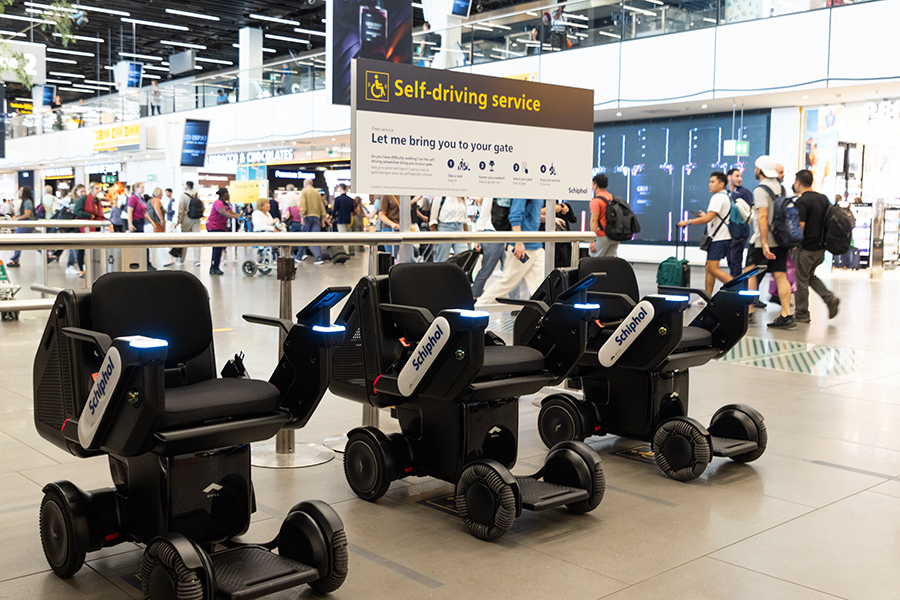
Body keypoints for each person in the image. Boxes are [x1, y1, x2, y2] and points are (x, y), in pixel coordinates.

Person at [745, 155, 795, 329]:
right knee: (780, 275)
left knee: (749, 273)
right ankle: (786, 315)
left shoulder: (760, 190)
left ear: (759, 170)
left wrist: (764, 242)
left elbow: (763, 217)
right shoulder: (782, 189)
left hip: (762, 241)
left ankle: (749, 311)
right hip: (781, 240)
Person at [476, 199, 545, 306]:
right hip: (522, 249)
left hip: (536, 247)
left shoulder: (539, 195)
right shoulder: (524, 191)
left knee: (539, 286)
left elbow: (532, 216)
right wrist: (518, 242)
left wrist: (550, 219)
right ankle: (477, 307)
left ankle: (544, 316)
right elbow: (515, 215)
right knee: (507, 283)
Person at [793, 169, 840, 323]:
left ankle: (801, 314)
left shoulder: (802, 202)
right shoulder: (823, 199)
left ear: (799, 183)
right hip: (820, 249)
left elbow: (801, 227)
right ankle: (829, 298)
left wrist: (793, 243)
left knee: (801, 282)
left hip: (806, 249)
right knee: (810, 277)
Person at [677, 172, 732, 297]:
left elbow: (708, 219)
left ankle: (736, 288)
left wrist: (688, 222)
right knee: (709, 267)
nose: (709, 184)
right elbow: (711, 217)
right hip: (720, 238)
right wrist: (706, 216)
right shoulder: (725, 196)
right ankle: (707, 297)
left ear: (722, 184)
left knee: (713, 268)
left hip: (719, 238)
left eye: (713, 182)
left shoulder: (718, 197)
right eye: (710, 181)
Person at [472, 197, 505, 299]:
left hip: (506, 235)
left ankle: (515, 302)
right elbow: (484, 215)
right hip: (492, 234)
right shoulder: (490, 195)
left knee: (511, 269)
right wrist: (477, 238)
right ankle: (474, 295)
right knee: (487, 269)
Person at [726, 168, 753, 279]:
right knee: (730, 260)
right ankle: (733, 284)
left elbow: (750, 213)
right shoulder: (726, 193)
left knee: (735, 260)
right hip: (728, 231)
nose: (739, 179)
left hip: (739, 231)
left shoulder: (744, 193)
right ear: (729, 177)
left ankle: (735, 288)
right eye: (737, 176)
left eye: (740, 176)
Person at [72, 183, 104, 277]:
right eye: (96, 188)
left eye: (99, 188)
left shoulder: (96, 200)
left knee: (91, 248)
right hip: (82, 226)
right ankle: (81, 269)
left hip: (93, 225)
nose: (98, 190)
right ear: (91, 189)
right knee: (81, 248)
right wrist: (89, 216)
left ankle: (91, 267)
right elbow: (76, 211)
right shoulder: (84, 198)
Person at [207, 188, 240, 276]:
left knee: (219, 247)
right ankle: (213, 268)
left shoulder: (226, 204)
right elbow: (224, 213)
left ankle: (216, 267)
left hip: (220, 227)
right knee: (216, 247)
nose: (228, 195)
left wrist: (238, 216)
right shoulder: (218, 203)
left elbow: (230, 211)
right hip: (214, 227)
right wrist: (236, 217)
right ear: (223, 194)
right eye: (227, 193)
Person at [430, 196, 469, 263]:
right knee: (442, 260)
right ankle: (439, 273)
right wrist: (432, 235)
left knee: (464, 258)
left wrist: (468, 236)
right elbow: (433, 217)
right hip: (444, 228)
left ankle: (458, 273)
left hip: (459, 228)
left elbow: (465, 219)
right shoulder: (441, 196)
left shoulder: (462, 198)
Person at [296, 178, 326, 265]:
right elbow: (321, 206)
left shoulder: (304, 191)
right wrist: (323, 219)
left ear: (305, 184)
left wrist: (302, 216)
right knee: (316, 238)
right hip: (317, 217)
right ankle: (319, 258)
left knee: (303, 237)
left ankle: (299, 256)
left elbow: (303, 204)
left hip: (307, 217)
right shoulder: (317, 192)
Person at [127, 182, 156, 271]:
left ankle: (146, 262)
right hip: (136, 223)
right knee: (140, 245)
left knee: (143, 244)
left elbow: (144, 213)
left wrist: (152, 222)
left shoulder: (141, 199)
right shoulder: (133, 198)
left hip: (141, 222)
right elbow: (130, 211)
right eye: (141, 187)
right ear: (136, 188)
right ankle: (144, 263)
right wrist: (130, 224)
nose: (143, 189)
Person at [589, 174, 617, 257]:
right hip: (614, 236)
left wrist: (592, 240)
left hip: (602, 235)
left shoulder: (596, 201)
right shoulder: (612, 198)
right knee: (610, 263)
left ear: (595, 185)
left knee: (594, 261)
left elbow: (594, 220)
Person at [7, 187, 36, 267]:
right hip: (26, 224)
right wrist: (17, 216)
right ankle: (46, 256)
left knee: (17, 240)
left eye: (20, 191)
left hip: (26, 224)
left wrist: (17, 218)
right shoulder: (26, 201)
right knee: (33, 241)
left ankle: (15, 259)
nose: (19, 193)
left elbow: (27, 214)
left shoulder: (27, 202)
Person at [175, 181, 202, 266]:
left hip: (187, 219)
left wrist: (179, 221)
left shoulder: (183, 196)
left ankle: (182, 258)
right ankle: (197, 260)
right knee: (197, 240)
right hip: (197, 219)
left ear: (186, 186)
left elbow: (181, 210)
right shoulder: (197, 195)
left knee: (184, 239)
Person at [332, 184, 355, 255]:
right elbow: (352, 210)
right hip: (348, 220)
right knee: (348, 236)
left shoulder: (338, 199)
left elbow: (335, 209)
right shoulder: (350, 200)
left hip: (341, 220)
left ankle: (345, 251)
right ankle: (350, 250)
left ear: (341, 188)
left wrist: (332, 217)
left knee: (342, 236)